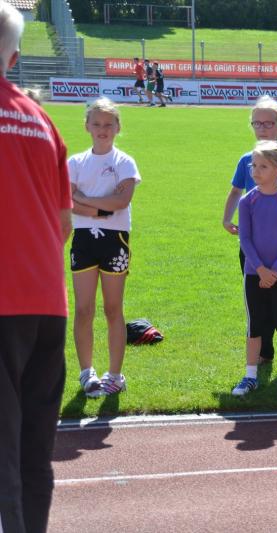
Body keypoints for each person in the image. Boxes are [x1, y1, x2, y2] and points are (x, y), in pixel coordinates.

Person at [0, 4, 72, 532]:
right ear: (15, 57)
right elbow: (65, 221)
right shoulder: (42, 119)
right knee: (33, 450)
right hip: (47, 300)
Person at [222, 96, 277, 365]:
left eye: (268, 123)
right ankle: (264, 352)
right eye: (256, 123)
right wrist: (226, 219)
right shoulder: (247, 161)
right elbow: (236, 191)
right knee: (258, 298)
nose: (262, 129)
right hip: (253, 249)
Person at [69, 97, 141, 398]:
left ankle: (114, 374)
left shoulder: (124, 162)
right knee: (84, 308)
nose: (102, 129)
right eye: (96, 124)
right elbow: (67, 200)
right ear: (87, 126)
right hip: (83, 239)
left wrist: (85, 200)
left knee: (113, 309)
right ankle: (87, 372)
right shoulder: (75, 162)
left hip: (115, 240)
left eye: (108, 124)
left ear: (117, 127)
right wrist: (100, 209)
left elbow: (121, 202)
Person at [232, 141, 277, 401]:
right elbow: (245, 239)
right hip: (254, 275)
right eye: (254, 166)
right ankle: (250, 376)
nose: (256, 171)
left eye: (263, 166)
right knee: (254, 325)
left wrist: (274, 271)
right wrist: (260, 269)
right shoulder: (247, 201)